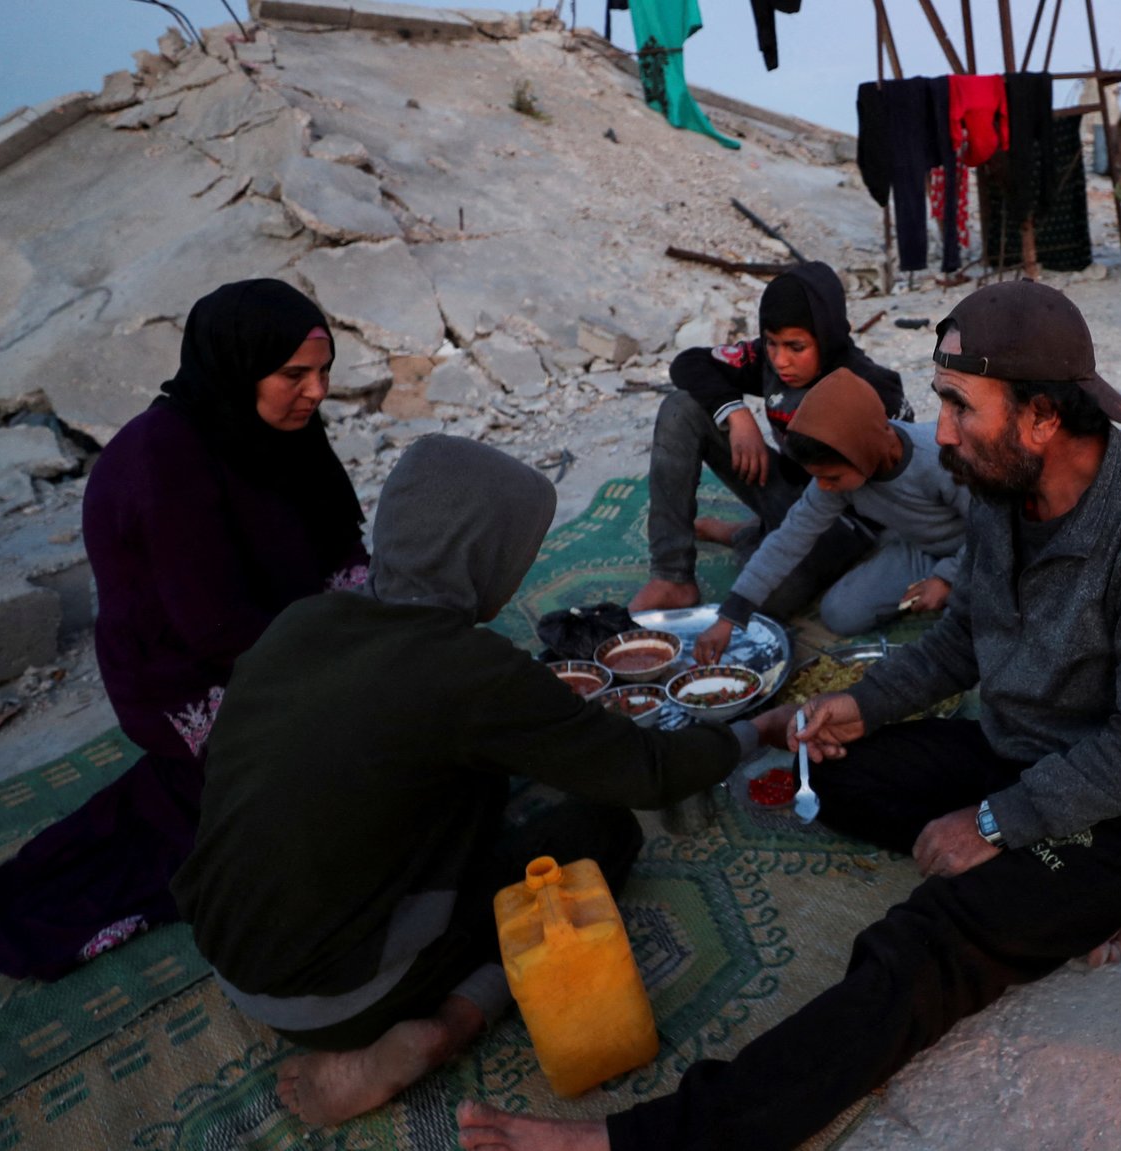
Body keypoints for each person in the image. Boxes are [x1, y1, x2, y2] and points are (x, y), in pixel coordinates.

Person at [454, 280, 1121, 1151]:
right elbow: (963, 640)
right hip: (1021, 744)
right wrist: (860, 705)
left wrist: (996, 821)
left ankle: (649, 1139)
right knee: (834, 776)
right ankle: (1048, 889)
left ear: (1043, 418)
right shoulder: (997, 487)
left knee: (922, 941)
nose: (939, 431)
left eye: (958, 406)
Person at [172, 436, 755, 1127]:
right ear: (484, 555)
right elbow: (648, 772)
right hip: (335, 994)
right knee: (597, 829)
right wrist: (750, 732)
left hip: (228, 951)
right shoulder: (468, 668)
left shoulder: (306, 619)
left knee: (462, 779)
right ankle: (449, 1021)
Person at [0, 279, 369, 981]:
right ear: (239, 367)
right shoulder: (165, 459)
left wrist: (377, 628)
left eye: (324, 372)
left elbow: (337, 548)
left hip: (274, 630)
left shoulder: (280, 432)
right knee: (329, 792)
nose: (317, 392)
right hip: (180, 674)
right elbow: (213, 626)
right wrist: (344, 664)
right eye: (294, 374)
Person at [630, 261, 907, 616]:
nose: (780, 360)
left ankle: (751, 536)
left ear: (828, 335)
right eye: (772, 343)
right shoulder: (768, 359)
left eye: (796, 347)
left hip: (843, 521)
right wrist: (737, 414)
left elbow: (904, 476)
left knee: (769, 601)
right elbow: (688, 363)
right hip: (789, 490)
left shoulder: (870, 385)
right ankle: (672, 577)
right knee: (681, 407)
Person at [691, 367, 968, 662]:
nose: (823, 487)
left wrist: (947, 578)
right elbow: (791, 537)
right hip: (921, 548)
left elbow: (996, 529)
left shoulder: (942, 458)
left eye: (832, 477)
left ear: (864, 450)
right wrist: (730, 616)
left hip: (984, 549)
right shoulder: (835, 478)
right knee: (841, 614)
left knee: (966, 631)